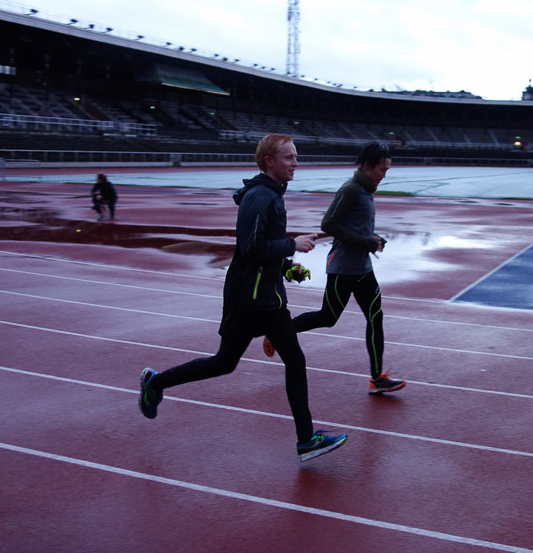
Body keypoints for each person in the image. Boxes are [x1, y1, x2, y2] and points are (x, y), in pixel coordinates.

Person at [138, 134, 347, 461]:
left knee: (295, 360)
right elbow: (250, 248)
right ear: (270, 162)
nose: (296, 163)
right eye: (289, 157)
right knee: (224, 363)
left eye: (296, 157)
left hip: (270, 298)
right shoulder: (260, 198)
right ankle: (156, 383)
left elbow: (267, 245)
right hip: (247, 299)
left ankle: (306, 440)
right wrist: (293, 244)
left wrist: (288, 267)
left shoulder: (273, 195)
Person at [265, 142, 405, 395]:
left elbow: (356, 226)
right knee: (327, 318)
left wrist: (373, 237)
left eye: (387, 170)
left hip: (363, 269)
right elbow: (329, 223)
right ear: (367, 166)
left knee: (376, 318)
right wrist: (366, 242)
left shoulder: (365, 189)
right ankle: (278, 333)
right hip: (342, 269)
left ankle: (377, 378)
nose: (384, 175)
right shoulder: (351, 189)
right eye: (382, 170)